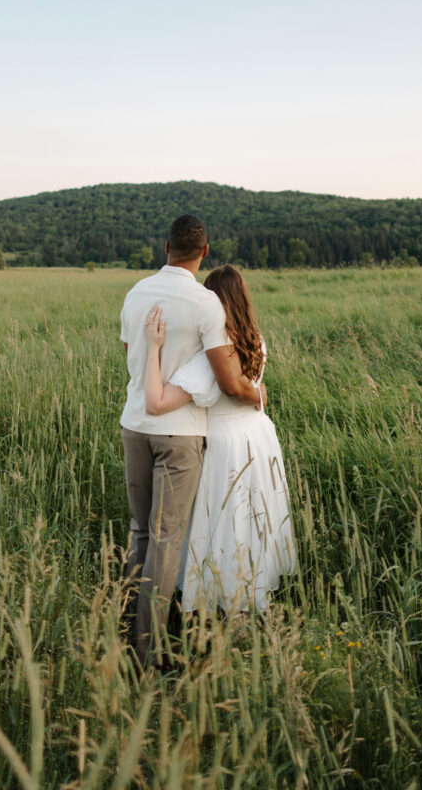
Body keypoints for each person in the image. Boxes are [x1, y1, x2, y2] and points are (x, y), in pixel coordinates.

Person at [120, 216, 263, 668]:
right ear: (204, 252)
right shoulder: (207, 305)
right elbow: (225, 377)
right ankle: (149, 653)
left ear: (165, 247)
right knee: (166, 539)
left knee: (139, 531)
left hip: (135, 425)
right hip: (179, 432)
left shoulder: (135, 293)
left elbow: (132, 356)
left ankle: (123, 629)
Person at [143, 264, 296, 614]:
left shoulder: (209, 354)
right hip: (257, 434)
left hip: (224, 440)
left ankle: (223, 595)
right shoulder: (255, 339)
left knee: (220, 518)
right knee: (250, 515)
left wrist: (154, 351)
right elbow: (251, 388)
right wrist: (259, 394)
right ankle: (247, 584)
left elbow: (166, 398)